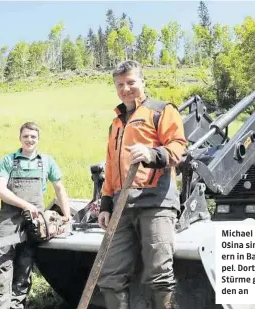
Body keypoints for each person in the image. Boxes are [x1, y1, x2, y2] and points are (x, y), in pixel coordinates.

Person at [97, 60, 187, 309]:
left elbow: (178, 147)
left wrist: (152, 154)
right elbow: (111, 166)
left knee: (159, 275)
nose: (125, 88)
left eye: (131, 82)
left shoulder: (161, 110)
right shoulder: (115, 123)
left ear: (142, 82)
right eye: (120, 84)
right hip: (121, 206)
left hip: (155, 203)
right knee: (110, 276)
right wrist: (106, 204)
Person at [0, 122, 70, 309]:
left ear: (38, 139)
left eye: (33, 136)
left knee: (26, 263)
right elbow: (0, 190)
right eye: (26, 136)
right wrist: (25, 205)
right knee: (3, 262)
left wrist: (67, 215)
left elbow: (59, 187)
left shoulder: (47, 161)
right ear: (20, 138)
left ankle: (17, 305)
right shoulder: (9, 160)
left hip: (35, 221)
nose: (29, 140)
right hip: (10, 218)